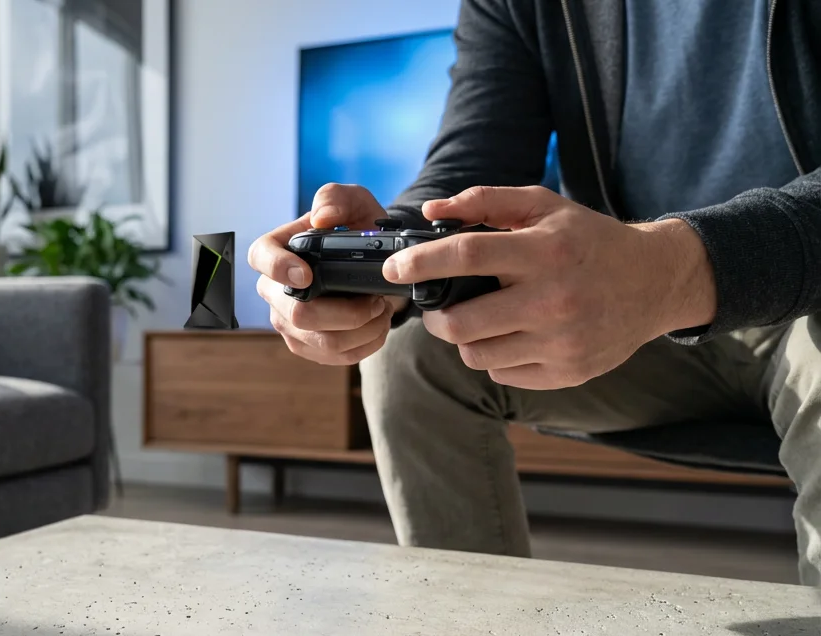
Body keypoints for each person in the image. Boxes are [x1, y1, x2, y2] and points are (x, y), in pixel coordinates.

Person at [249, 0, 821, 584]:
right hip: (627, 319)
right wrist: (395, 265)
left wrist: (669, 269)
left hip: (806, 301)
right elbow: (472, 161)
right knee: (411, 353)